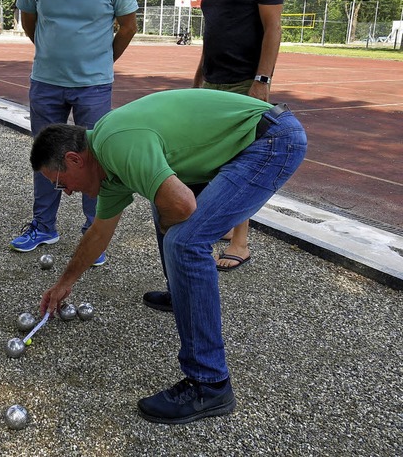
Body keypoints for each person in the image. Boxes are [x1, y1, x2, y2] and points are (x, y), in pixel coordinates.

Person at [33, 88, 307, 424]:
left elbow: (181, 206)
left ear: (75, 160)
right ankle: (183, 295)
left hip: (270, 141)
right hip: (249, 138)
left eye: (61, 183)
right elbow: (98, 233)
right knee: (164, 207)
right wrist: (64, 283)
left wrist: (168, 219)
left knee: (184, 241)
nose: (69, 192)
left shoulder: (116, 143)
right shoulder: (108, 166)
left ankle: (210, 385)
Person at [10, 0, 138, 266]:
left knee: (94, 159)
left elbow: (128, 27)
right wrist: (51, 53)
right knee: (45, 157)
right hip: (46, 82)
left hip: (94, 86)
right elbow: (29, 20)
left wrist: (101, 62)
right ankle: (43, 225)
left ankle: (91, 232)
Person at [190, 0, 285, 277]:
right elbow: (210, 36)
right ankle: (227, 222)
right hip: (213, 81)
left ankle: (240, 243)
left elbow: (274, 28)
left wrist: (261, 82)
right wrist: (197, 80)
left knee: (238, 162)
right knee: (212, 160)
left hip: (243, 83)